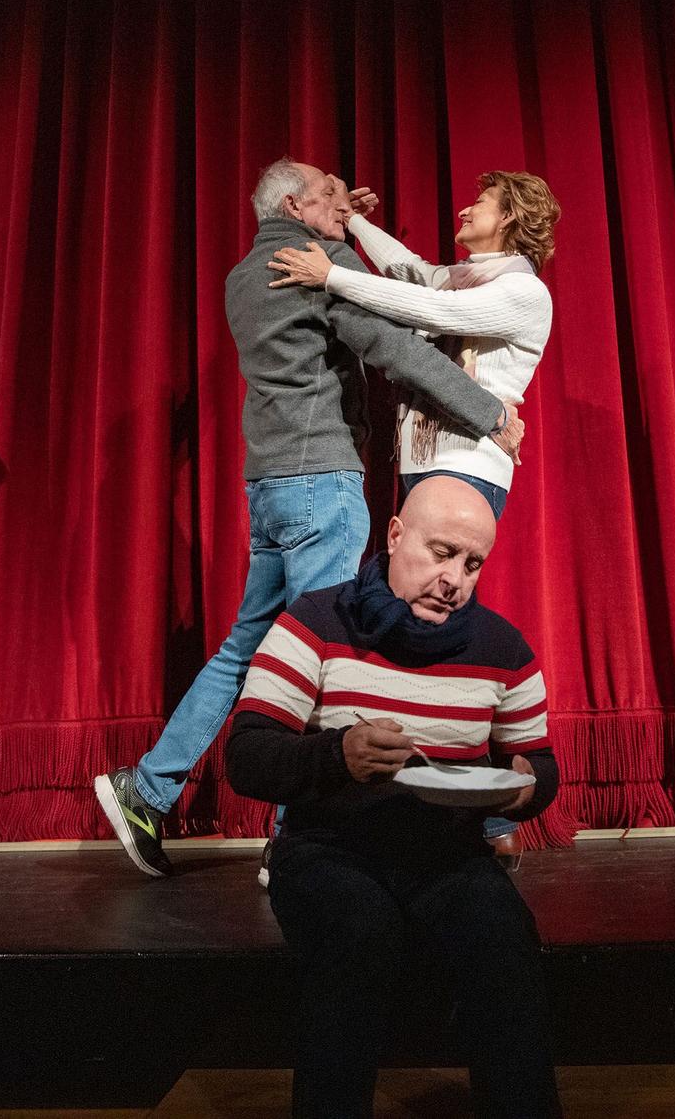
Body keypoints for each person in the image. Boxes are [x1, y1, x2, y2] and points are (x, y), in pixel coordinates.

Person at [94, 159, 525, 878]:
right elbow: (389, 343)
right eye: (327, 196)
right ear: (294, 204)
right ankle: (295, 839)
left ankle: (149, 786)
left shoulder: (240, 276)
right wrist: (487, 413)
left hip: (267, 485)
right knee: (327, 656)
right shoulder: (318, 260)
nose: (340, 203)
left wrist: (347, 221)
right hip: (322, 484)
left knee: (247, 647)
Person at [226, 475, 562, 1119]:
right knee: (359, 930)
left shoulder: (502, 648)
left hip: (446, 855)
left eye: (471, 564)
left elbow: (537, 764)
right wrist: (337, 754)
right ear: (395, 535)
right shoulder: (315, 622)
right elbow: (246, 757)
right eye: (440, 553)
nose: (454, 579)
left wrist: (526, 790)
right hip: (328, 850)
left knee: (504, 934)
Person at [269, 171, 558, 866]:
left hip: (470, 470)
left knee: (444, 621)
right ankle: (437, 809)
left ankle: (479, 820)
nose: (467, 204)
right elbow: (418, 276)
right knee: (420, 629)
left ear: (512, 218)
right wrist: (354, 224)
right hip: (426, 464)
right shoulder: (465, 278)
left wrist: (329, 275)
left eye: (483, 200)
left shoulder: (522, 293)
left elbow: (415, 302)